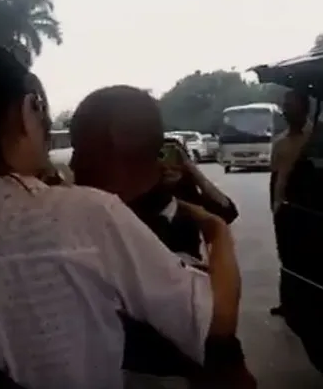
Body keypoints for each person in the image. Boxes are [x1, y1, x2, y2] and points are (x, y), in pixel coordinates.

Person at [0, 43, 238, 389]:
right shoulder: (86, 214)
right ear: (29, 108)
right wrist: (218, 231)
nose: (73, 162)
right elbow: (217, 320)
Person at [70, 85, 255, 388]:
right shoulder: (84, 220)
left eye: (80, 149)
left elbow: (217, 326)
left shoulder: (161, 219)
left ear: (112, 145)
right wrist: (218, 233)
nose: (73, 164)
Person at [269, 90, 312, 316]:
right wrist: (275, 206)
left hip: (310, 205)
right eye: (285, 106)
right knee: (287, 256)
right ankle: (288, 303)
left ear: (305, 109)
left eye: (292, 105)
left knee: (310, 254)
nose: (287, 111)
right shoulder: (280, 142)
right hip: (285, 207)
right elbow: (275, 177)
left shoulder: (314, 138)